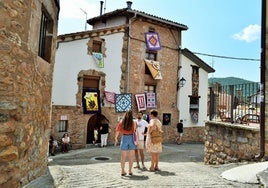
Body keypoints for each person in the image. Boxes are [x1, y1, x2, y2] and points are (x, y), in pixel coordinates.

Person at [114, 110, 137, 176]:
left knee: (123, 157)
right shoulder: (134, 122)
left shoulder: (121, 122)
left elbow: (117, 131)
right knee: (131, 157)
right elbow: (135, 130)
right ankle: (130, 171)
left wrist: (115, 139)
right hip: (131, 138)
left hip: (124, 138)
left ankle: (122, 171)